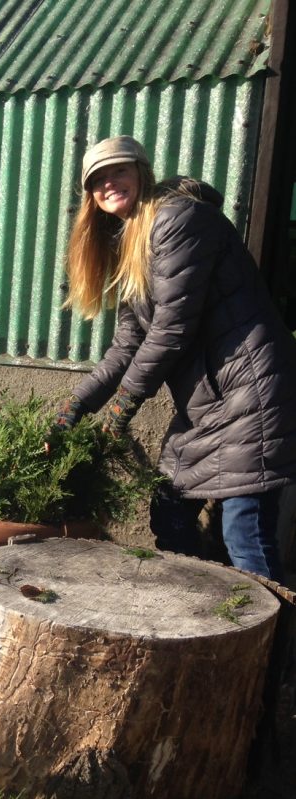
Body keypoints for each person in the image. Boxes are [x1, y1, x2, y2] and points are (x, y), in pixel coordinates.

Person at [55, 134, 296, 583]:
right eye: (98, 179)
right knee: (169, 510)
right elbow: (127, 345)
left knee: (244, 529)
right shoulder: (132, 242)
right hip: (209, 402)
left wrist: (124, 405)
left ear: (141, 172)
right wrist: (75, 408)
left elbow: (172, 329)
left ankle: (272, 648)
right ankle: (208, 617)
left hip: (253, 393)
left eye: (119, 171)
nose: (110, 184)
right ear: (90, 195)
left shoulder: (176, 219)